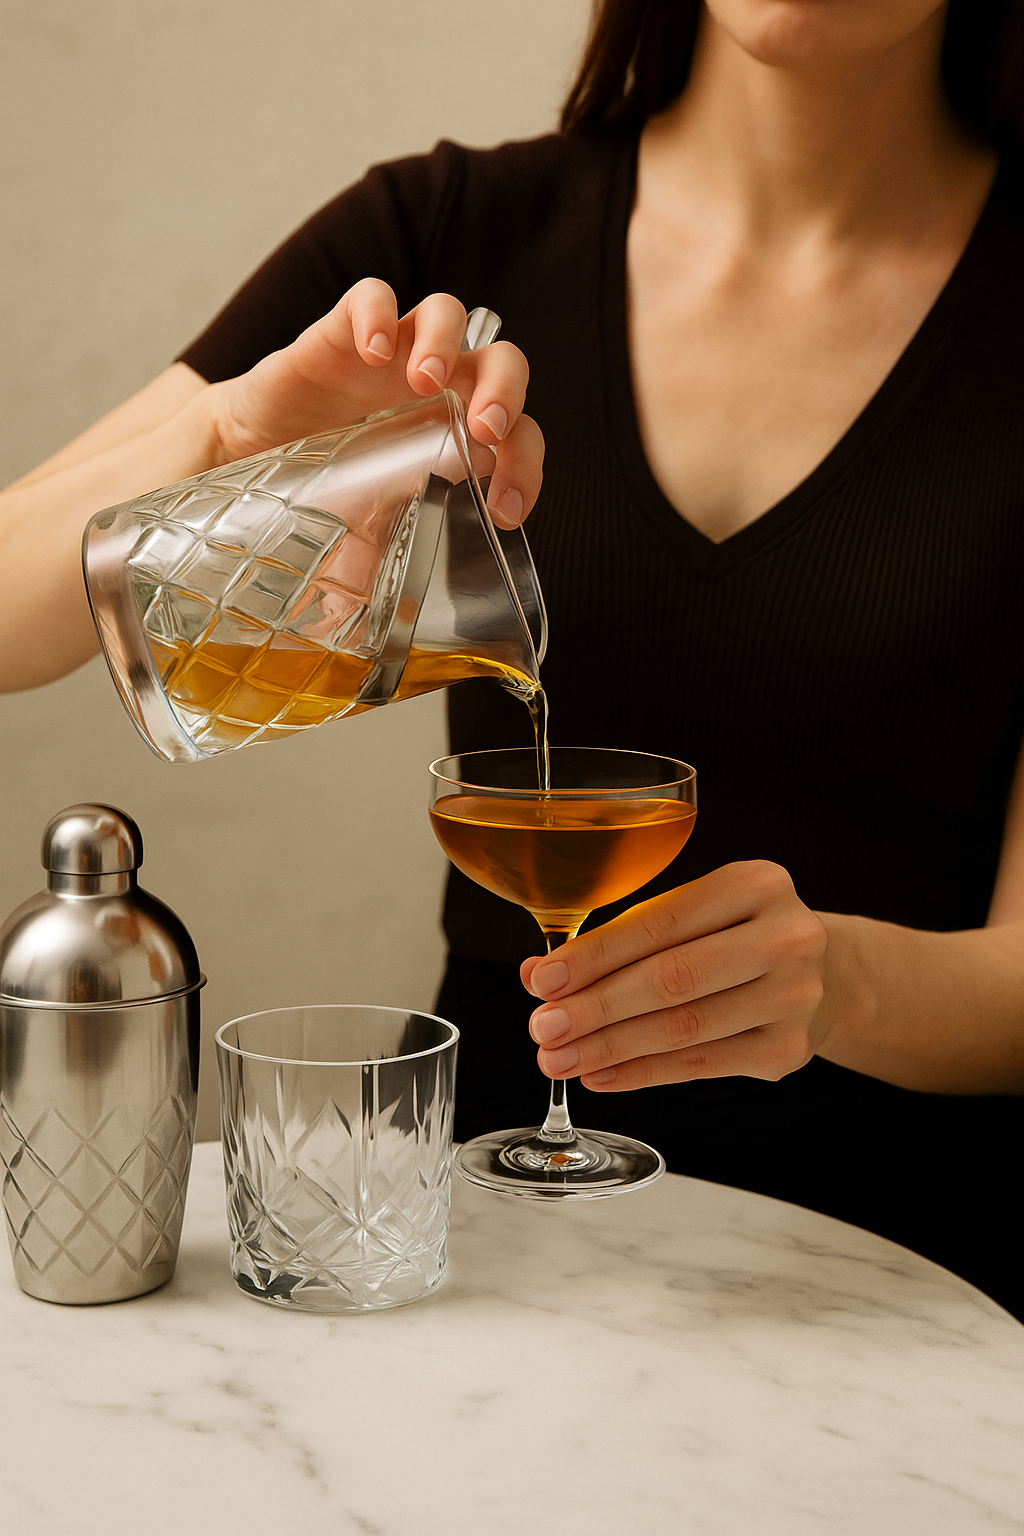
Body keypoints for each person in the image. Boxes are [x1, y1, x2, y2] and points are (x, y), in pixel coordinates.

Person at [2, 0, 1023, 1313]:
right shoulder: (444, 240)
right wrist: (223, 438)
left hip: (915, 1269)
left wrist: (843, 984)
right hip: (483, 1243)